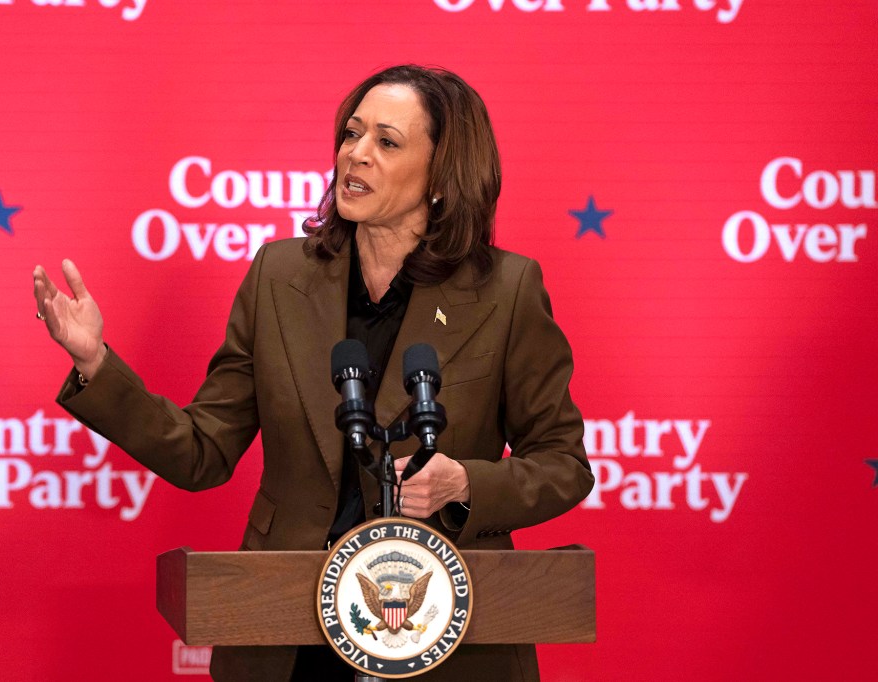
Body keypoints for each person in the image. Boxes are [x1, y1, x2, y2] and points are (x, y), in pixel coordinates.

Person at [33, 64, 593, 681]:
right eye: (351, 135)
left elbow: (563, 464)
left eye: (386, 141)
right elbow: (201, 450)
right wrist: (95, 363)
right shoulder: (278, 276)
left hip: (445, 630)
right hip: (289, 636)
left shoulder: (506, 290)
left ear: (442, 175)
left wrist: (464, 483)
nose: (355, 155)